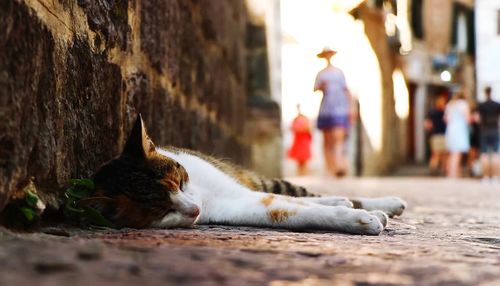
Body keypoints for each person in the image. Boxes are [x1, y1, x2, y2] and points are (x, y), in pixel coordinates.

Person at [313, 47, 353, 177]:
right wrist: (321, 87)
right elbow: (315, 88)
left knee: (338, 137)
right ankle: (330, 168)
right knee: (327, 140)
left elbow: (346, 90)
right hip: (326, 108)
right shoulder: (321, 73)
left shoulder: (339, 72)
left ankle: (338, 165)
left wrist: (351, 108)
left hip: (339, 108)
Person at [475, 86, 500, 183]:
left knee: (484, 154)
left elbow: (477, 118)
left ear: (485, 93)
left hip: (484, 130)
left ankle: (485, 176)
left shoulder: (481, 105)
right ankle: (495, 176)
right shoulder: (497, 105)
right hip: (494, 130)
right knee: (495, 154)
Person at [444, 91, 471, 178]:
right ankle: (453, 174)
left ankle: (452, 172)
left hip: (450, 129)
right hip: (459, 130)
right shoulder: (463, 104)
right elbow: (467, 118)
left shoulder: (450, 104)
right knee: (457, 153)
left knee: (452, 153)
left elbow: (446, 119)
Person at [424, 95, 447, 175]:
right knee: (441, 155)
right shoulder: (443, 112)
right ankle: (440, 171)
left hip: (437, 135)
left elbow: (427, 125)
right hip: (441, 135)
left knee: (438, 155)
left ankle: (436, 171)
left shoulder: (433, 112)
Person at [287, 104, 312, 176]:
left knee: (304, 159)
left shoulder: (305, 119)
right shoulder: (296, 119)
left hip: (303, 140)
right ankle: (300, 174)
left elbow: (308, 129)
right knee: (299, 159)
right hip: (298, 140)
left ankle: (304, 174)